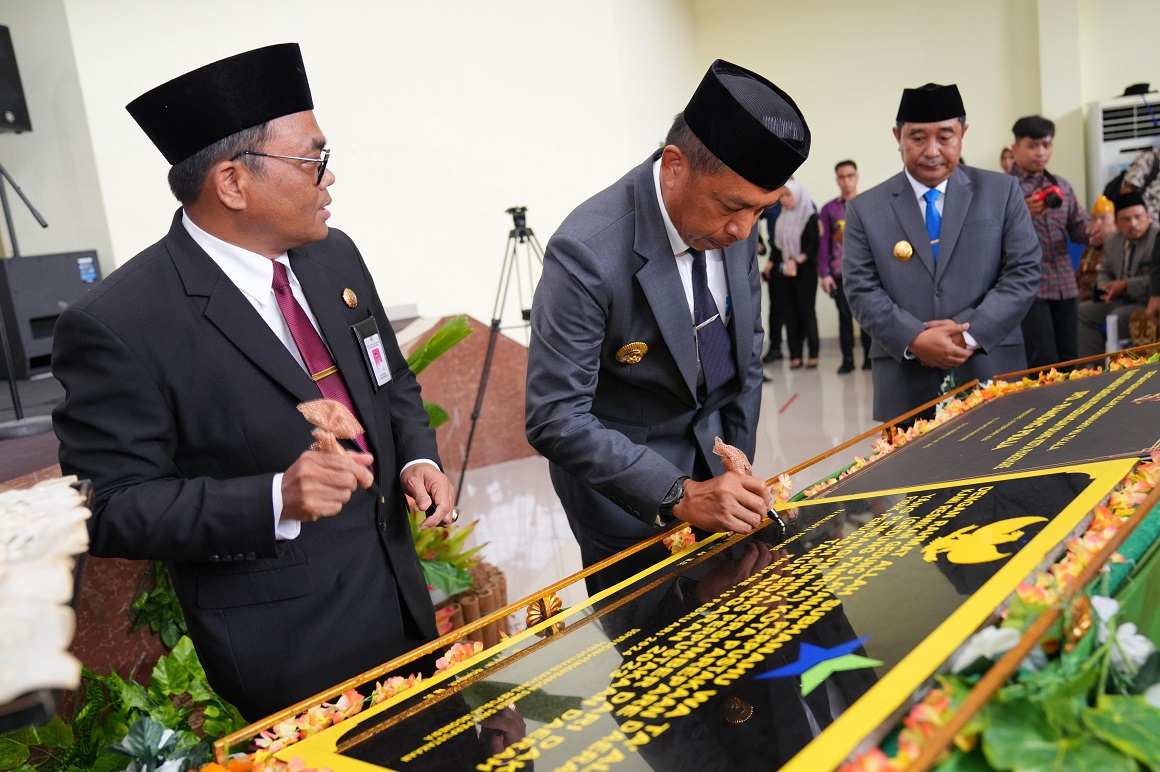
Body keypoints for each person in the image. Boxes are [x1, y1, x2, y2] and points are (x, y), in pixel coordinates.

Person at [51, 44, 456, 720]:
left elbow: (388, 380)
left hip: (401, 602)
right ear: (233, 183)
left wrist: (418, 457)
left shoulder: (333, 256)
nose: (329, 177)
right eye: (312, 159)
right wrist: (274, 499)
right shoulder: (120, 321)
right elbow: (111, 507)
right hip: (288, 647)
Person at [525, 60, 809, 593]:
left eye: (760, 212)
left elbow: (745, 355)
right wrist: (680, 492)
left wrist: (735, 468)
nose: (743, 230)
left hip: (719, 472)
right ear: (675, 166)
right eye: (733, 207)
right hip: (629, 499)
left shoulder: (735, 219)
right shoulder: (587, 252)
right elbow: (555, 416)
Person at [842, 83, 1041, 421]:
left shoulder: (1002, 192)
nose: (932, 151)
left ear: (963, 134)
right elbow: (861, 288)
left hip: (990, 366)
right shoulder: (865, 209)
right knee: (911, 458)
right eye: (918, 138)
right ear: (897, 136)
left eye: (945, 137)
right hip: (905, 380)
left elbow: (1025, 271)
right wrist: (914, 338)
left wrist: (969, 334)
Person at [1008, 115, 1093, 368]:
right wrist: (1023, 214)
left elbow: (1079, 228)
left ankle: (1074, 396)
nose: (1041, 152)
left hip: (1065, 283)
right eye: (1032, 145)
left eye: (1046, 145)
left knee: (1071, 359)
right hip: (1028, 286)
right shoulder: (1004, 189)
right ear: (1015, 148)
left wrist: (1094, 232)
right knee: (1043, 363)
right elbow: (990, 238)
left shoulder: (1062, 186)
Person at [1077, 192, 1158, 355]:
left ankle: (1124, 365)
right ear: (1116, 223)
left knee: (1118, 316)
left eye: (1138, 217)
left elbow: (1156, 279)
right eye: (1126, 219)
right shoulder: (1113, 240)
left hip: (1147, 300)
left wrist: (1126, 285)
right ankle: (1093, 365)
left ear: (1148, 217)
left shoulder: (1156, 238)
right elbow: (1105, 270)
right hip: (1119, 299)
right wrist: (1104, 287)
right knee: (1082, 311)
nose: (1133, 223)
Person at [819, 159, 872, 373]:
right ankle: (848, 360)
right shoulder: (828, 209)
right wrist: (824, 274)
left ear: (857, 177)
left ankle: (870, 358)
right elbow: (823, 244)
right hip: (840, 273)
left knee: (868, 317)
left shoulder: (869, 204)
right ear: (837, 180)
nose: (846, 181)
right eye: (841, 177)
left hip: (868, 272)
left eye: (850, 176)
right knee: (844, 317)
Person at [770, 180, 820, 368]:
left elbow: (813, 245)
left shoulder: (809, 216)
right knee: (789, 313)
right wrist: (776, 264)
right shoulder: (781, 219)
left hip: (806, 271)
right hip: (786, 271)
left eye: (787, 195)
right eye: (781, 196)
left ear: (798, 195)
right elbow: (777, 247)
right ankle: (795, 355)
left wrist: (797, 260)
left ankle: (813, 353)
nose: (784, 199)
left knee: (806, 312)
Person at [759, 200, 786, 362]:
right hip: (776, 262)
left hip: (798, 262)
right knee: (776, 308)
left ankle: (799, 352)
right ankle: (775, 347)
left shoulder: (803, 204)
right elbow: (753, 217)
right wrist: (759, 242)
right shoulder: (770, 205)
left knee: (797, 309)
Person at [1076, 195, 1116, 301]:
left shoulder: (1118, 247)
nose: (1097, 223)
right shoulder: (1090, 247)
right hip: (1079, 296)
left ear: (1115, 223)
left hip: (1099, 298)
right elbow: (1078, 277)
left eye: (1103, 218)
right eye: (1093, 218)